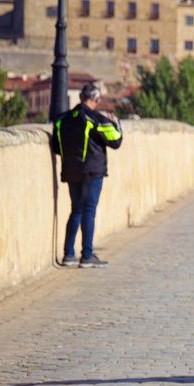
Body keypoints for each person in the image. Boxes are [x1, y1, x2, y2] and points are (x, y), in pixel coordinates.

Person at [52, 82, 124, 269]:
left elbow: (57, 147)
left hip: (71, 171)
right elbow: (116, 141)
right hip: (92, 171)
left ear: (80, 97)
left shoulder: (62, 120)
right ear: (96, 99)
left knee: (76, 209)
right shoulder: (95, 119)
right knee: (89, 210)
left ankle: (68, 254)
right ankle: (87, 255)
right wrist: (116, 124)